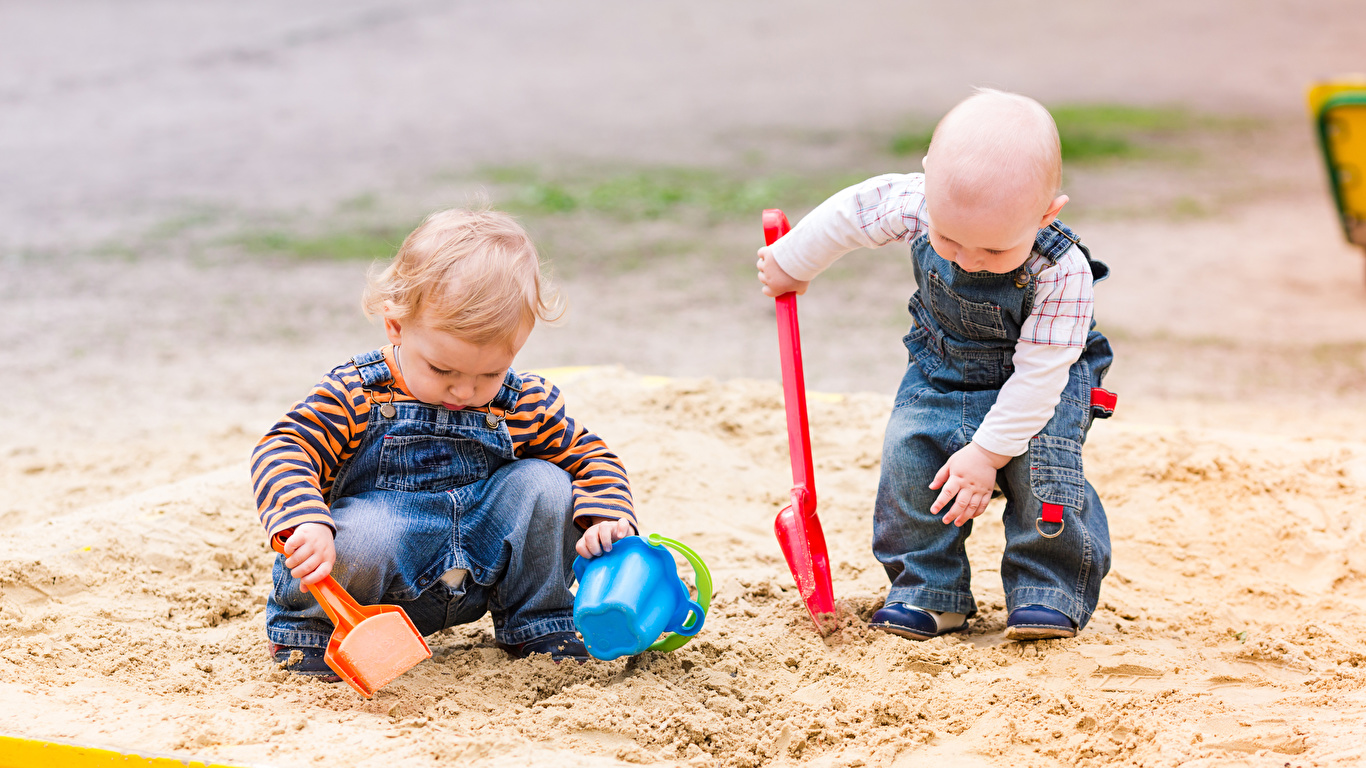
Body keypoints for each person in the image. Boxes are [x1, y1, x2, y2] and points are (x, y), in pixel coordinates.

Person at [755, 89, 1116, 641]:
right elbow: (852, 214)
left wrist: (986, 454)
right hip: (942, 362)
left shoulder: (1062, 270)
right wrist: (792, 262)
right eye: (949, 240)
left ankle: (1048, 589)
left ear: (1047, 213)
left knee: (1043, 475)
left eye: (995, 252)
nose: (969, 259)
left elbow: (1042, 374)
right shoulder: (916, 201)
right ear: (927, 181)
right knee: (909, 458)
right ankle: (928, 590)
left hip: (1047, 381)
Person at [251, 208, 636, 674]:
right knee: (363, 534)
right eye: (443, 370)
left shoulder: (519, 403)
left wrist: (608, 517)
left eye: (490, 373)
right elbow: (285, 446)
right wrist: (306, 521)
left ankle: (538, 621)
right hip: (381, 585)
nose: (464, 391)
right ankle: (309, 635)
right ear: (396, 325)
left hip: (478, 573)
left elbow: (590, 456)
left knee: (547, 483)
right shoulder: (359, 392)